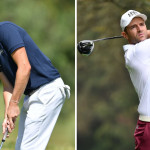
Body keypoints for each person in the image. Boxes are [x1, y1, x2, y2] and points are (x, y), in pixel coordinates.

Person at [0, 21, 70, 150]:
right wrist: (8, 115)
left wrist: (14, 104)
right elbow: (8, 85)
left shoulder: (5, 30)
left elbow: (25, 67)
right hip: (31, 96)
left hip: (47, 90)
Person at [120, 10, 150, 150]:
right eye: (133, 27)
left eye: (142, 24)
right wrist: (146, 32)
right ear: (124, 35)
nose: (139, 29)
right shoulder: (139, 51)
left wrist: (143, 33)